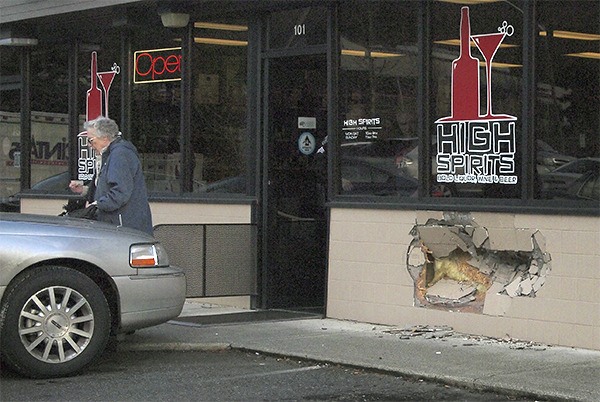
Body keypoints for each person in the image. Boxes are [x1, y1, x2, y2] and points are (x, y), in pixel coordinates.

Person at [69, 116, 153, 236]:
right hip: (118, 223)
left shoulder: (120, 155)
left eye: (91, 140)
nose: (89, 145)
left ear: (105, 138)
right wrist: (85, 190)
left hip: (123, 226)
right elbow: (109, 187)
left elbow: (120, 193)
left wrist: (96, 205)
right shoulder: (110, 154)